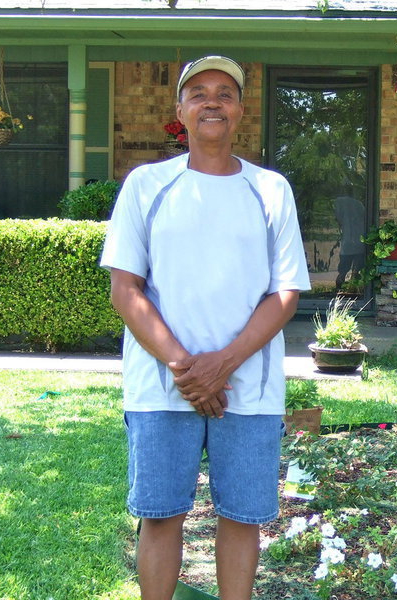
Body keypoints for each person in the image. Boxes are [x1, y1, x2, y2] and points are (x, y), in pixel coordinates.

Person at [100, 55, 310, 600]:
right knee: (161, 515)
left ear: (240, 110)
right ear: (181, 111)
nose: (211, 101)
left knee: (242, 516)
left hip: (250, 387)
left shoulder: (270, 190)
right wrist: (185, 368)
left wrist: (222, 364)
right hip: (161, 386)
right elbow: (127, 289)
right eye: (198, 93)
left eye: (224, 92)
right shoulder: (147, 185)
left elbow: (284, 292)